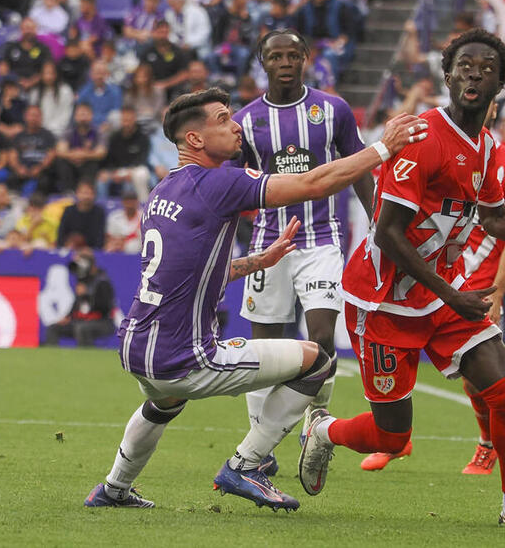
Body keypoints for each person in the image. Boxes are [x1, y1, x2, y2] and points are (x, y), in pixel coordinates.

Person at [82, 85, 426, 510]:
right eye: (224, 119)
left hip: (136, 345)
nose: (236, 126)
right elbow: (314, 182)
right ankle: (246, 465)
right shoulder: (219, 182)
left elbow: (192, 273)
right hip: (184, 356)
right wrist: (382, 147)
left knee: (163, 402)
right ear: (195, 139)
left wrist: (257, 261)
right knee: (317, 360)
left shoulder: (165, 189)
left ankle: (113, 489)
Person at [297, 29, 505, 530]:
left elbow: (495, 219)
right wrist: (454, 292)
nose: (474, 73)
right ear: (448, 75)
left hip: (442, 297)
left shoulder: (486, 148)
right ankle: (324, 431)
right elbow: (387, 233)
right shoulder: (421, 138)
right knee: (392, 436)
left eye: (487, 67)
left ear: (500, 85)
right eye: (465, 65)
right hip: (383, 300)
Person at [359, 98, 505, 476]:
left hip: (477, 283)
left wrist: (499, 290)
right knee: (408, 387)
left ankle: (488, 448)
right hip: (433, 277)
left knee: (491, 382)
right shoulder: (432, 141)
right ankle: (394, 439)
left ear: (493, 105)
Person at [231, 29, 374, 459]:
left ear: (307, 58)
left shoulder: (333, 110)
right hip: (267, 245)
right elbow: (233, 186)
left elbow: (359, 168)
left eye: (294, 55)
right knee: (264, 349)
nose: (286, 63)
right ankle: (261, 444)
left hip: (322, 242)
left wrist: (377, 219)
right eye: (276, 57)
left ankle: (317, 424)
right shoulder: (246, 121)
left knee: (322, 339)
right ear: (264, 63)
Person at [45, 249, 117, 345]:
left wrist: (87, 294)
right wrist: (68, 317)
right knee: (53, 328)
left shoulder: (102, 281)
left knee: (82, 329)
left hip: (102, 322)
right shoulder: (83, 280)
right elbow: (77, 303)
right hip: (81, 321)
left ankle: (87, 357)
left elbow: (105, 307)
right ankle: (52, 357)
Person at [97, 105, 150, 201]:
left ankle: (142, 206)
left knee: (134, 178)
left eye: (129, 120)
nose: (126, 123)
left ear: (134, 119)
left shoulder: (143, 137)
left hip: (134, 170)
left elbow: (142, 159)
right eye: (124, 120)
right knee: (101, 180)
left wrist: (128, 172)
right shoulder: (114, 137)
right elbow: (109, 159)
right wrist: (109, 172)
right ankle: (103, 206)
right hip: (116, 171)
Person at [57, 179, 105, 249]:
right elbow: (61, 234)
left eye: (90, 193)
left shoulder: (99, 212)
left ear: (94, 195)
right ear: (77, 193)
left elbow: (99, 238)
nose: (86, 197)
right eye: (84, 193)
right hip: (69, 248)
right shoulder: (68, 211)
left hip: (90, 252)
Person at [104, 185, 141, 253]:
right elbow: (109, 237)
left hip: (137, 252)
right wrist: (119, 242)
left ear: (137, 201)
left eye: (132, 200)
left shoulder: (143, 217)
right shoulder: (114, 216)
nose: (130, 204)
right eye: (127, 201)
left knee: (132, 245)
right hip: (117, 249)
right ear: (123, 202)